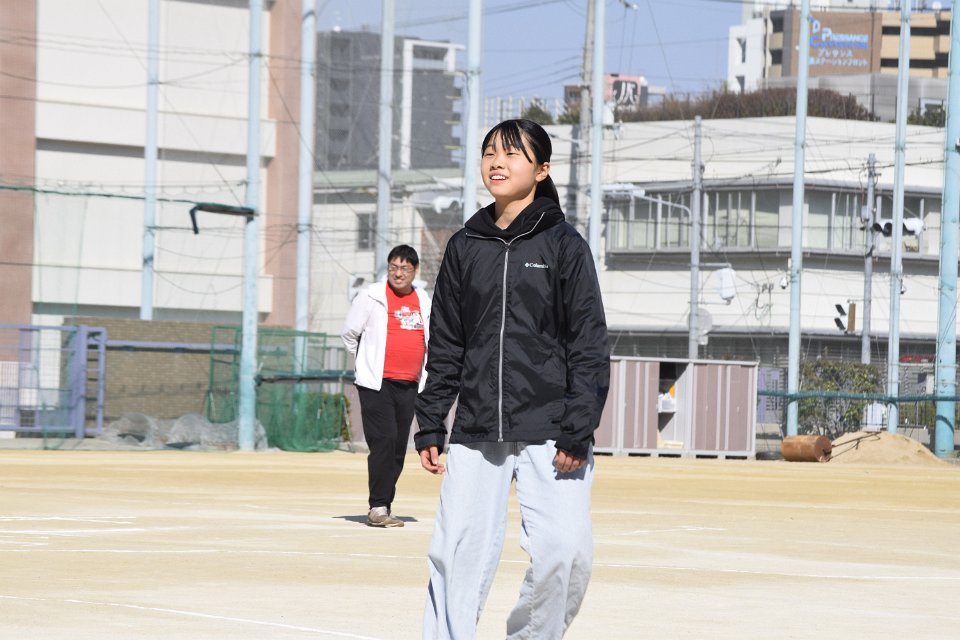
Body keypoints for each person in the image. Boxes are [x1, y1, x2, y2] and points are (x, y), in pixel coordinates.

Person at [414, 119, 610, 638]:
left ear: (542, 170)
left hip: (552, 428)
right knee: (455, 551)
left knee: (566, 553)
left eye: (512, 154)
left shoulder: (564, 245)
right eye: (489, 153)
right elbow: (447, 342)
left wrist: (578, 427)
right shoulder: (464, 246)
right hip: (478, 427)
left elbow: (588, 343)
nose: (497, 163)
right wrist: (431, 420)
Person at [342, 244, 431, 528]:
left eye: (404, 268)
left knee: (398, 447)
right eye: (394, 267)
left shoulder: (424, 299)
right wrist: (364, 364)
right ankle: (377, 506)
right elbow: (349, 334)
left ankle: (385, 505)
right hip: (376, 384)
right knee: (384, 440)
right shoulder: (371, 296)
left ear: (415, 271)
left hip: (410, 384)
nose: (398, 273)